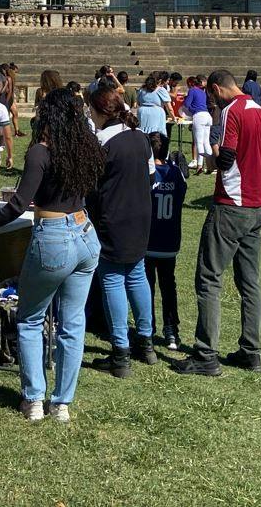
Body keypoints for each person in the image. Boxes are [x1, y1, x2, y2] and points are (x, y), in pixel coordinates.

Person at [0, 88, 102, 423]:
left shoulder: (41, 153)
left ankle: (34, 399)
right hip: (85, 234)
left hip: (54, 238)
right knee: (72, 324)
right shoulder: (85, 149)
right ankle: (63, 403)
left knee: (30, 319)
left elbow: (17, 204)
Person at [174, 70, 261, 377]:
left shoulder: (231, 112)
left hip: (230, 205)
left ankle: (206, 354)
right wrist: (255, 166)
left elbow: (227, 157)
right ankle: (251, 351)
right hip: (256, 206)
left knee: (209, 278)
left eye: (211, 95)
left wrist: (215, 155)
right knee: (250, 282)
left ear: (218, 89)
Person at [86, 85, 155, 379]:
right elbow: (151, 175)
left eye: (91, 108)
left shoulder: (102, 143)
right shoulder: (139, 138)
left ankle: (120, 351)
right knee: (137, 274)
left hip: (113, 219)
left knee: (113, 279)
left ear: (101, 111)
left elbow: (90, 186)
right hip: (140, 216)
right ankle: (146, 340)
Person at [146, 135, 188, 351]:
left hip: (148, 239)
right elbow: (181, 195)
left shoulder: (147, 175)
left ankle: (148, 329)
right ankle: (171, 330)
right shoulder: (175, 173)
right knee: (168, 284)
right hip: (169, 240)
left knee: (147, 285)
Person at [135, 72, 172, 160]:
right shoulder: (161, 90)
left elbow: (139, 102)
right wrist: (173, 117)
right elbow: (169, 107)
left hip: (143, 112)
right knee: (158, 136)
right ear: (159, 80)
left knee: (144, 134)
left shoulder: (142, 89)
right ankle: (159, 156)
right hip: (156, 113)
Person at [183, 74, 212, 173]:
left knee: (199, 142)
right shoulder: (202, 92)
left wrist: (187, 102)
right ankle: (200, 166)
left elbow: (187, 104)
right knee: (205, 142)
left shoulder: (192, 90)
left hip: (199, 117)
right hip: (208, 116)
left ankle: (209, 159)